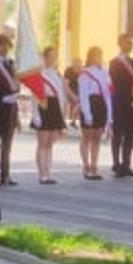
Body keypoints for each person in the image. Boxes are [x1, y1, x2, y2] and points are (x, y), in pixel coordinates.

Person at [31, 46, 70, 184]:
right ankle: (42, 174)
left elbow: (61, 94)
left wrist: (62, 112)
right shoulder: (39, 74)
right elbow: (35, 95)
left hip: (54, 107)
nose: (52, 59)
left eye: (54, 56)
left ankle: (48, 172)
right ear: (45, 57)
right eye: (49, 56)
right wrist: (35, 114)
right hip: (43, 105)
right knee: (43, 142)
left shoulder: (57, 74)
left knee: (50, 143)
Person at [76, 47, 111, 180]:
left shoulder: (104, 73)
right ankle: (86, 165)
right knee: (87, 137)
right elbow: (84, 95)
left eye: (100, 56)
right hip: (90, 103)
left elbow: (107, 94)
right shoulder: (85, 74)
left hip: (100, 104)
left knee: (97, 137)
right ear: (90, 57)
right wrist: (87, 113)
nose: (100, 59)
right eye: (97, 56)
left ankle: (94, 165)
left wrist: (109, 114)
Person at [108, 34, 133, 178]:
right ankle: (116, 163)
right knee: (118, 133)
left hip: (132, 101)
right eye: (128, 43)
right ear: (120, 44)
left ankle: (126, 163)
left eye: (131, 43)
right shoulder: (115, 62)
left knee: (130, 133)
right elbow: (116, 82)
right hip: (120, 101)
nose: (131, 45)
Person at [0, 33, 19, 186]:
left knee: (7, 143)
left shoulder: (10, 63)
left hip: (11, 107)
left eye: (8, 45)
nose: (6, 48)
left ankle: (5, 174)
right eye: (3, 45)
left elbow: (16, 83)